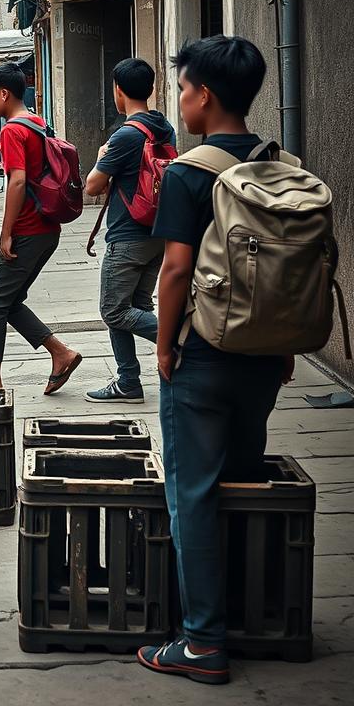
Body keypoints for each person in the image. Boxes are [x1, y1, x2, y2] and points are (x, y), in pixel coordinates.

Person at [137, 36, 292, 685]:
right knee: (243, 478)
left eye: (183, 88)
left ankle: (202, 640)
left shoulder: (188, 171)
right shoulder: (277, 162)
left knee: (193, 494)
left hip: (203, 354)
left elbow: (175, 271)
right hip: (266, 353)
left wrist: (166, 347)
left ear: (202, 94)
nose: (181, 98)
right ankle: (253, 612)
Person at [0, 62, 82, 392]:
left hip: (28, 229)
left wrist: (6, 232)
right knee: (8, 301)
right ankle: (61, 354)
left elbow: (18, 180)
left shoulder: (11, 130)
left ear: (5, 94)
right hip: (47, 229)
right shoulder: (37, 122)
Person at [84, 58, 176, 404]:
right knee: (134, 304)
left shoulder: (124, 135)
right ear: (151, 88)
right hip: (157, 232)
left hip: (127, 236)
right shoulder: (163, 126)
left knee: (113, 310)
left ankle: (181, 339)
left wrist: (100, 156)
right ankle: (128, 382)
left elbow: (93, 186)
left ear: (118, 91)